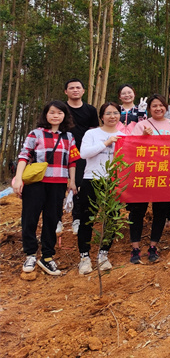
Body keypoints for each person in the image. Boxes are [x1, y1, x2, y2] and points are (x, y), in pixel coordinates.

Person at [12, 101, 79, 276]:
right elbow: (24, 155)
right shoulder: (36, 134)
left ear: (65, 116)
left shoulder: (69, 137)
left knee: (52, 219)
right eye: (52, 112)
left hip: (58, 184)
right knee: (30, 217)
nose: (55, 116)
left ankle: (47, 256)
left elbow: (72, 161)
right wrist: (18, 178)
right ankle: (30, 254)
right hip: (36, 183)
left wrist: (72, 181)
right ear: (45, 114)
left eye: (59, 113)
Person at [77, 101, 128, 274]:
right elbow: (84, 154)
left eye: (115, 113)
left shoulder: (124, 135)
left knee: (111, 219)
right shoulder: (92, 133)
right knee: (87, 219)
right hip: (92, 179)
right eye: (108, 113)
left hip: (113, 182)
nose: (112, 116)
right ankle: (84, 257)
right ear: (101, 117)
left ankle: (103, 255)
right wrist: (106, 143)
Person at [129, 94, 170, 263]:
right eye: (154, 106)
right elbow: (132, 148)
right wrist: (143, 136)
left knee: (161, 211)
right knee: (137, 211)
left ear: (166, 107)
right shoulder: (141, 125)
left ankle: (153, 247)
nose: (158, 108)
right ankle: (135, 248)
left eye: (161, 105)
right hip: (144, 174)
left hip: (166, 175)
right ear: (149, 109)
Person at [64, 78, 99, 235]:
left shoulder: (90, 110)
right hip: (62, 151)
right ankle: (57, 218)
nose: (75, 90)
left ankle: (76, 218)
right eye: (71, 88)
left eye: (78, 87)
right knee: (58, 185)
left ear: (84, 91)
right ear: (66, 92)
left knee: (78, 185)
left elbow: (94, 131)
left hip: (82, 153)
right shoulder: (61, 108)